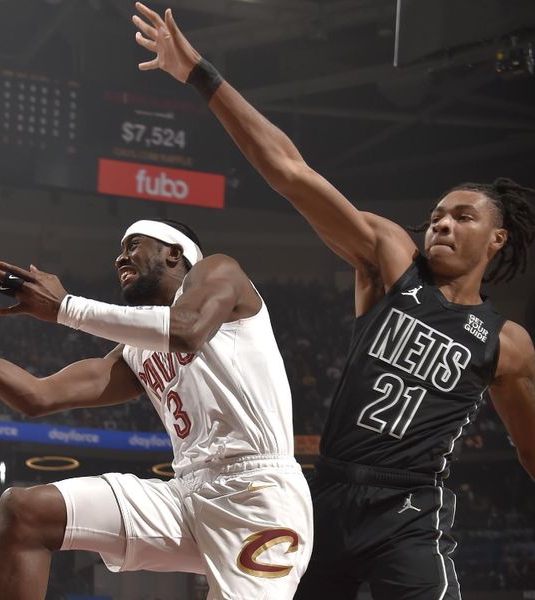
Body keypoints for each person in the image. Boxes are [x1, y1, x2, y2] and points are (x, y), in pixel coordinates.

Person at [130, 3, 535, 598]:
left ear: (496, 239)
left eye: (462, 216)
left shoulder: (508, 343)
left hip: (411, 507)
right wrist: (199, 72)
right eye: (437, 215)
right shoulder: (391, 259)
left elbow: (530, 447)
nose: (441, 224)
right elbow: (291, 171)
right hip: (327, 495)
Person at [0, 218, 313, 599]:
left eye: (133, 245)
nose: (119, 257)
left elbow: (187, 331)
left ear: (174, 253)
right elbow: (36, 397)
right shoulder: (136, 351)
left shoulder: (219, 272)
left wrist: (65, 308)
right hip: (186, 496)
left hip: (258, 497)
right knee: (25, 512)